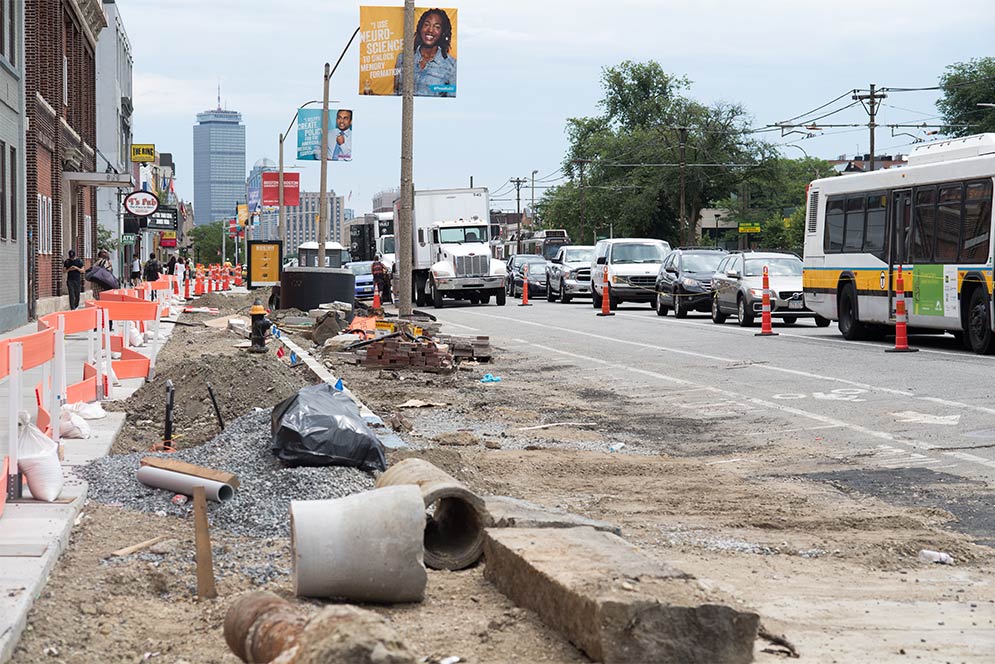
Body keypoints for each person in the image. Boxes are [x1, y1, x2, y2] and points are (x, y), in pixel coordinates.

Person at [393, 8, 456, 97]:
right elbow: (396, 94)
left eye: (437, 27)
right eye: (426, 24)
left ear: (443, 33)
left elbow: (450, 103)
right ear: (420, 28)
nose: (430, 30)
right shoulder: (402, 59)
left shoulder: (451, 66)